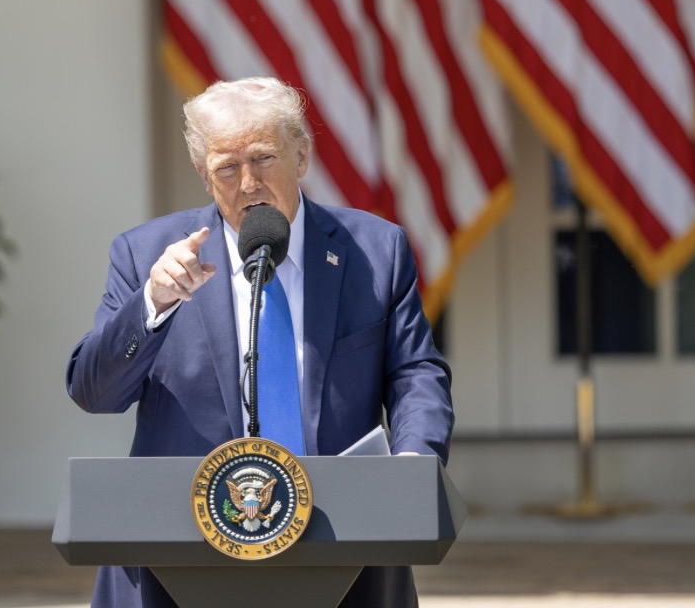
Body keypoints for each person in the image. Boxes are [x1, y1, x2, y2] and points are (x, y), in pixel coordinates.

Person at [66, 77, 454, 607]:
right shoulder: (146, 255)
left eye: (264, 159)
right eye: (227, 167)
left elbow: (415, 375)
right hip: (178, 557)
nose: (248, 183)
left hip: (345, 548)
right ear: (204, 177)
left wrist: (413, 463)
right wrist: (153, 304)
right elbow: (95, 393)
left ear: (302, 157)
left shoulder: (375, 251)